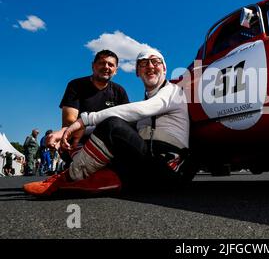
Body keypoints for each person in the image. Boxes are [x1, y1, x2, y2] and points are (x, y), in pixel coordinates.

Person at [24, 47, 190, 197]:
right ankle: (103, 181)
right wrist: (69, 132)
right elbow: (125, 127)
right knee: (112, 129)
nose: (150, 66)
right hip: (146, 166)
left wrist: (84, 120)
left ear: (165, 68)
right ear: (137, 72)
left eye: (156, 62)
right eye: (143, 63)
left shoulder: (173, 92)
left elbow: (137, 112)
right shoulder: (78, 85)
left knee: (113, 123)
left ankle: (68, 178)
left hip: (168, 168)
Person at [46, 50, 129, 168]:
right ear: (93, 66)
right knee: (89, 165)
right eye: (102, 63)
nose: (106, 67)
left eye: (111, 64)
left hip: (107, 142)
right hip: (77, 141)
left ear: (116, 70)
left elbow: (125, 123)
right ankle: (79, 168)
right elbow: (70, 122)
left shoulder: (119, 91)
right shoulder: (76, 85)